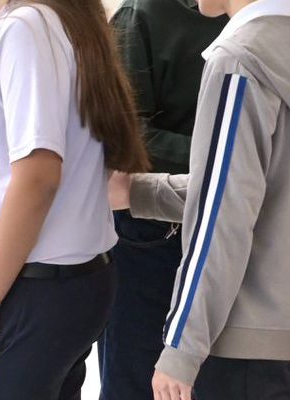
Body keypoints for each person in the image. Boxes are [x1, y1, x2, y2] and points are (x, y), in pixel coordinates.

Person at [0, 0, 151, 397]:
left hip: (24, 289)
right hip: (63, 285)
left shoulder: (26, 28)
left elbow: (38, 177)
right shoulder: (62, 21)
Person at [108, 0, 290, 399]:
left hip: (246, 343)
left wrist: (181, 350)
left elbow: (224, 214)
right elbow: (258, 190)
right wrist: (140, 192)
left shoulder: (239, 59)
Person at [96, 1, 227, 398]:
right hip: (152, 238)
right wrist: (230, 155)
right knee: (138, 381)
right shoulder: (141, 15)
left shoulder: (262, 19)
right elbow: (125, 137)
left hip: (230, 234)